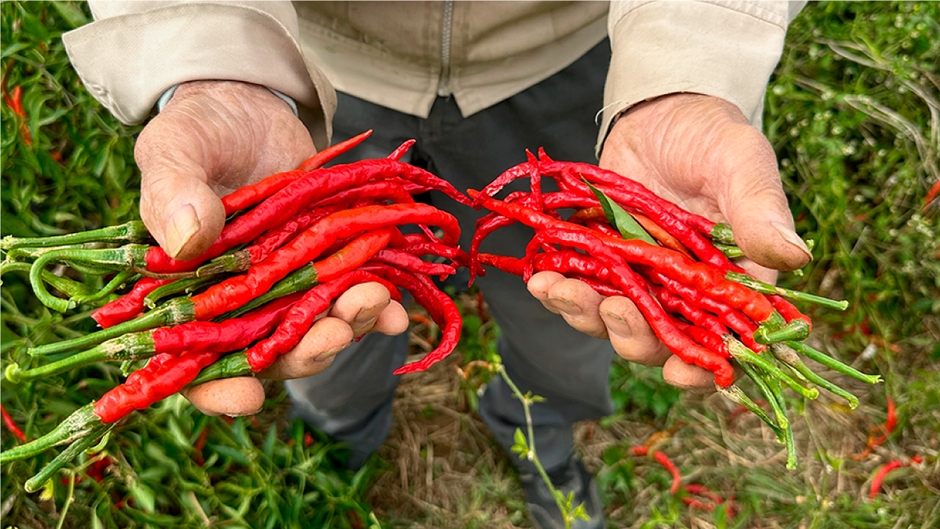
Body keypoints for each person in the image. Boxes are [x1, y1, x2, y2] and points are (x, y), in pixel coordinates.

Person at [63, 2, 811, 527]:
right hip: (309, 61)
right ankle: (343, 440)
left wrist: (689, 64)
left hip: (581, 53)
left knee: (579, 308)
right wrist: (208, 60)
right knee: (330, 326)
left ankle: (542, 440)